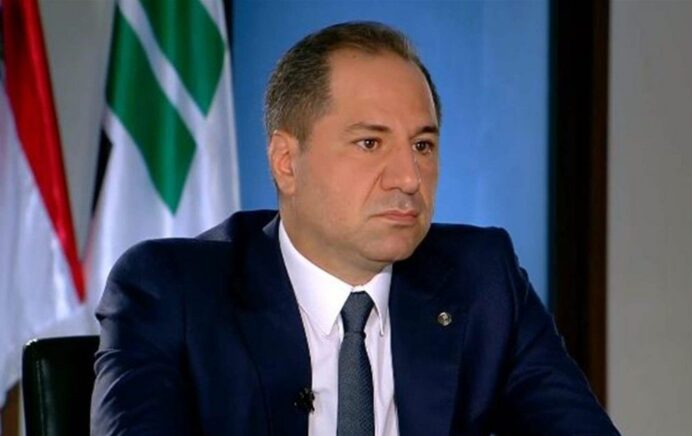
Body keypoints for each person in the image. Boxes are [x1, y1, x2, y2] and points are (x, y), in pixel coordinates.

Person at [91, 21, 619, 435]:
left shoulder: (482, 281)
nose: (409, 177)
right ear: (286, 162)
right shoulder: (172, 290)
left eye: (423, 145)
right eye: (370, 143)